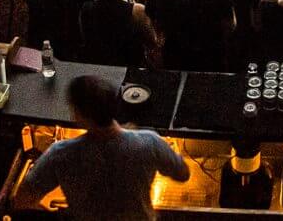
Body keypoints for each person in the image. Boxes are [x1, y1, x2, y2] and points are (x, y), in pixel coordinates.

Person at [12, 74, 191, 221]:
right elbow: (183, 174)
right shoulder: (149, 142)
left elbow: (21, 200)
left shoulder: (60, 154)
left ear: (78, 115)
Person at [78, 0, 155, 68]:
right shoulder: (137, 11)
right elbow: (152, 41)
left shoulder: (85, 9)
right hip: (128, 69)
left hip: (97, 68)